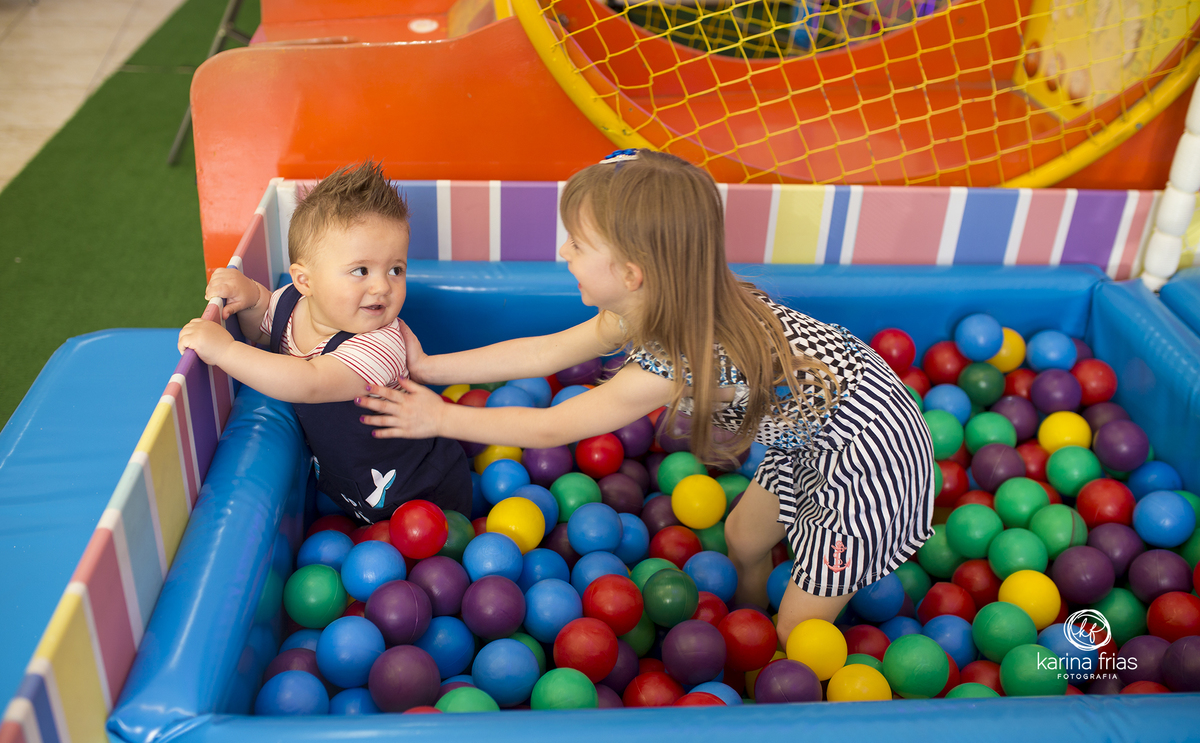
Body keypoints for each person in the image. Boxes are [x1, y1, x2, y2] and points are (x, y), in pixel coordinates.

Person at [355, 149, 934, 644]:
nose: (563, 254)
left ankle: (775, 683)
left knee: (798, 637)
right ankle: (748, 620)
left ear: (632, 273)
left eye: (577, 245)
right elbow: (541, 354)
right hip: (810, 437)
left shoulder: (680, 353)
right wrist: (429, 367)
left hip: (870, 460)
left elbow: (556, 428)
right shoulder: (663, 298)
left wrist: (439, 418)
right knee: (740, 537)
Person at [178, 161, 471, 523]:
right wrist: (253, 298)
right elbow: (264, 332)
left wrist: (224, 350)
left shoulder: (381, 345)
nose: (382, 286)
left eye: (395, 269)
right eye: (360, 270)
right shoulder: (290, 302)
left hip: (419, 490)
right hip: (351, 482)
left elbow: (309, 381)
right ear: (305, 281)